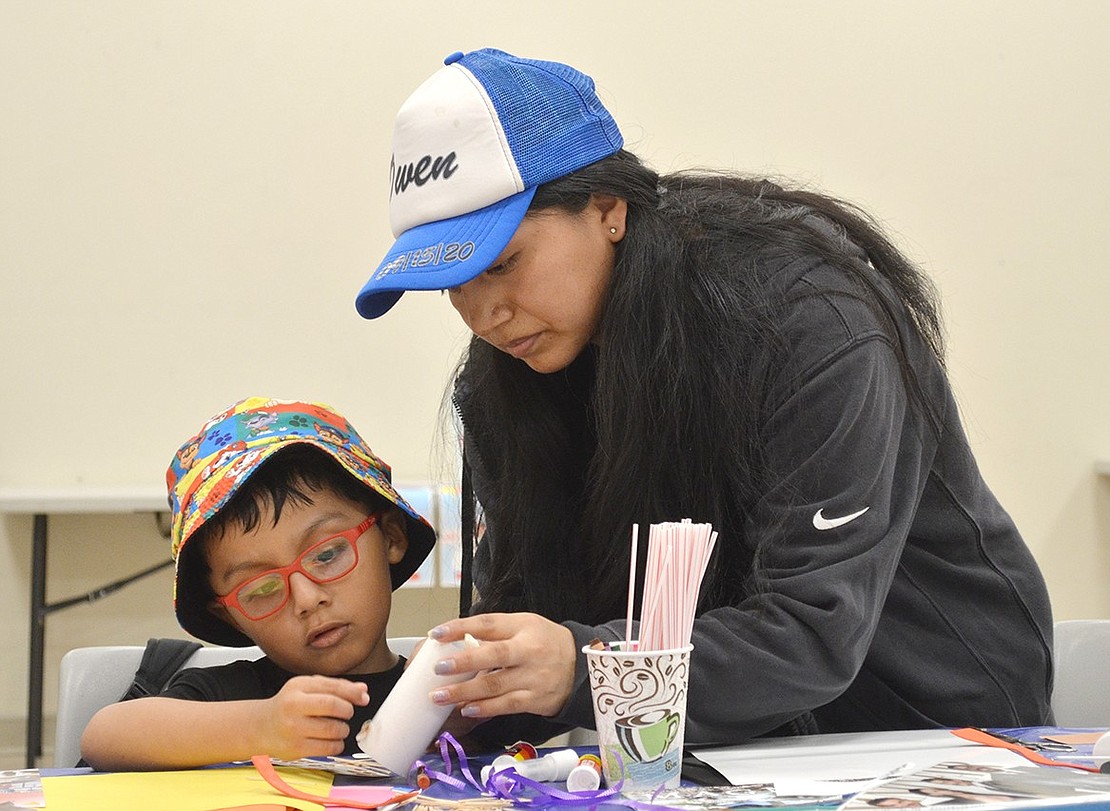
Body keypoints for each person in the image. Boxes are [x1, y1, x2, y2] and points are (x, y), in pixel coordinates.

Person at [355, 48, 1054, 746]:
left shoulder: (806, 320)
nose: (482, 315)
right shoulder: (502, 378)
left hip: (940, 728)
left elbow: (813, 628)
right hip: (716, 747)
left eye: (502, 263)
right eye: (452, 284)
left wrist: (584, 667)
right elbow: (529, 608)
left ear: (608, 208)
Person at [80, 397, 436, 770]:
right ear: (231, 616)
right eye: (262, 590)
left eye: (328, 555)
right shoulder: (235, 695)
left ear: (392, 536)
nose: (306, 598)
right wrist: (262, 727)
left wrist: (453, 708)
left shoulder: (433, 692)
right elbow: (105, 736)